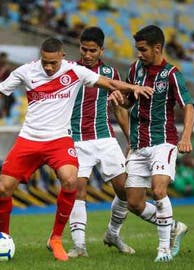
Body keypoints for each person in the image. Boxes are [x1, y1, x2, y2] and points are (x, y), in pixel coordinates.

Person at [0, 37, 153, 261]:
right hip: (29, 139)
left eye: (53, 63)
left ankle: (56, 238)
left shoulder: (75, 71)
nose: (48, 67)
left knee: (70, 180)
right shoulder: (26, 71)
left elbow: (109, 83)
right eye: (45, 62)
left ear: (63, 57)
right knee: (3, 188)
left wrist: (133, 87)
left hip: (59, 140)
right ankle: (4, 237)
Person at [121, 25, 194, 262]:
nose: (139, 54)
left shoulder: (172, 74)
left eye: (143, 49)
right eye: (137, 49)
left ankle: (164, 250)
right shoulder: (135, 69)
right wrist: (118, 99)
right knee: (133, 202)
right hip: (139, 144)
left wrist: (185, 137)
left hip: (163, 142)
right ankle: (173, 226)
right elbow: (128, 101)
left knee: (159, 190)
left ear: (157, 48)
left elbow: (189, 107)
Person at [67, 27, 134, 258]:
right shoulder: (70, 71)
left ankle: (113, 233)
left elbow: (120, 109)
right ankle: (79, 246)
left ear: (101, 50)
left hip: (105, 138)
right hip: (75, 139)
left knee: (125, 190)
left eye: (92, 50)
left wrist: (130, 139)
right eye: (83, 49)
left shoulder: (111, 73)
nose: (86, 54)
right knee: (77, 189)